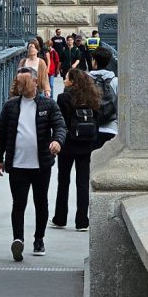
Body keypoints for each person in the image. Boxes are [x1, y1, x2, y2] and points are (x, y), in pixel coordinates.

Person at [0, 71, 66, 260]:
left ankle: (39, 239)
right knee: (19, 203)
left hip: (41, 164)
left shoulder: (47, 104)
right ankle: (18, 240)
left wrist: (57, 141)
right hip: (17, 165)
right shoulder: (11, 106)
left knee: (41, 202)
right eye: (18, 82)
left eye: (24, 81)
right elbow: (0, 132)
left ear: (35, 81)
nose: (20, 85)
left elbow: (60, 126)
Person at [51, 67, 102, 232]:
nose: (64, 80)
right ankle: (82, 221)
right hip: (86, 145)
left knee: (63, 181)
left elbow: (60, 123)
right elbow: (97, 120)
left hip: (67, 144)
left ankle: (60, 218)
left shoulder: (63, 98)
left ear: (72, 81)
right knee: (82, 182)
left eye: (66, 78)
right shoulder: (92, 97)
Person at [88, 45, 119, 149]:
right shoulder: (115, 81)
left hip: (90, 128)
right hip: (112, 128)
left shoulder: (85, 80)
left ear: (94, 61)